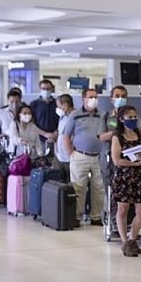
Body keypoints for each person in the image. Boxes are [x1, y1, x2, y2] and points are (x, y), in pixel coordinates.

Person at [110, 105, 141, 258]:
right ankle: (125, 241)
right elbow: (117, 160)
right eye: (130, 117)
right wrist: (134, 163)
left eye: (135, 117)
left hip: (139, 176)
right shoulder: (117, 136)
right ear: (121, 119)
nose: (133, 120)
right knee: (123, 210)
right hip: (124, 177)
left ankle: (133, 239)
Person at [62, 88, 105, 226]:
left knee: (99, 187)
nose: (93, 100)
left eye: (95, 97)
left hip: (99, 156)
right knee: (79, 187)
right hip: (80, 155)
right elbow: (66, 135)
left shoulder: (103, 115)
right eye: (90, 97)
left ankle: (96, 216)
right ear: (83, 99)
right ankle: (77, 216)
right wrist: (71, 154)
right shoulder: (75, 115)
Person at [30, 79, 59, 144]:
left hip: (56, 138)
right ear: (40, 89)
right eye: (43, 88)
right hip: (38, 139)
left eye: (48, 89)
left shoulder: (57, 103)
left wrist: (55, 133)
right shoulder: (34, 104)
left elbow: (62, 120)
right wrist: (45, 134)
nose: (46, 91)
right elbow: (31, 123)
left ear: (52, 89)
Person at [54, 94, 76, 178]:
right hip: (60, 156)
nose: (58, 109)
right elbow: (60, 132)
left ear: (65, 105)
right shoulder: (62, 117)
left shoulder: (75, 117)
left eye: (59, 107)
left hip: (70, 157)